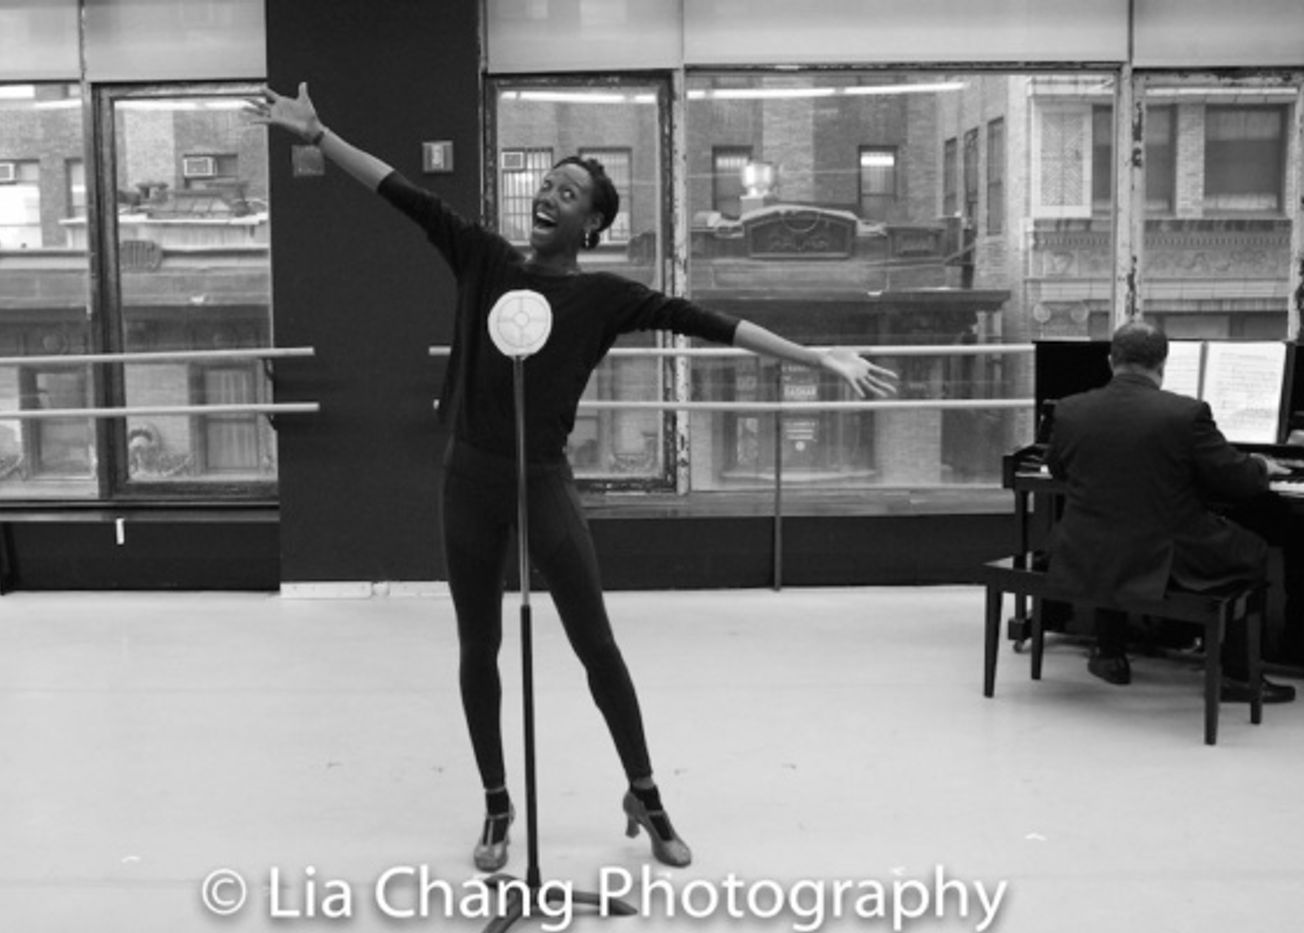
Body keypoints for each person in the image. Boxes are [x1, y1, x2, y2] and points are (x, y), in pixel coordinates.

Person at [248, 82, 899, 871]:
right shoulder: (483, 257)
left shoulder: (603, 297)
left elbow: (711, 324)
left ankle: (646, 793)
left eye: (570, 192)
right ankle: (496, 805)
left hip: (542, 480)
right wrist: (321, 136)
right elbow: (401, 191)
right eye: (548, 185)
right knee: (477, 645)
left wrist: (815, 355)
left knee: (597, 645)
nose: (550, 195)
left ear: (593, 222)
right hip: (470, 479)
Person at [1043, 319, 1295, 702]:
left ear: (1111, 361)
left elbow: (1060, 470)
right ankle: (1239, 677)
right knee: (1253, 551)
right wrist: (1261, 466)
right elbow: (1235, 478)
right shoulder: (1186, 414)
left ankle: (1111, 654)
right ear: (1164, 363)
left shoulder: (1070, 410)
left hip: (1088, 546)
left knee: (1119, 527)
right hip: (1162, 552)